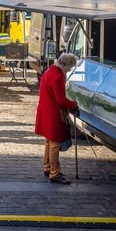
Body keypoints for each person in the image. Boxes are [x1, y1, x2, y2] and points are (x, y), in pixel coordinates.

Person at [35, 53, 80, 185]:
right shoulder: (58, 76)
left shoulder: (49, 72)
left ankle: (47, 167)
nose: (70, 70)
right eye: (70, 67)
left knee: (49, 142)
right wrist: (73, 104)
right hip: (54, 113)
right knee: (55, 143)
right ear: (65, 64)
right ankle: (54, 173)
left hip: (46, 111)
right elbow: (61, 100)